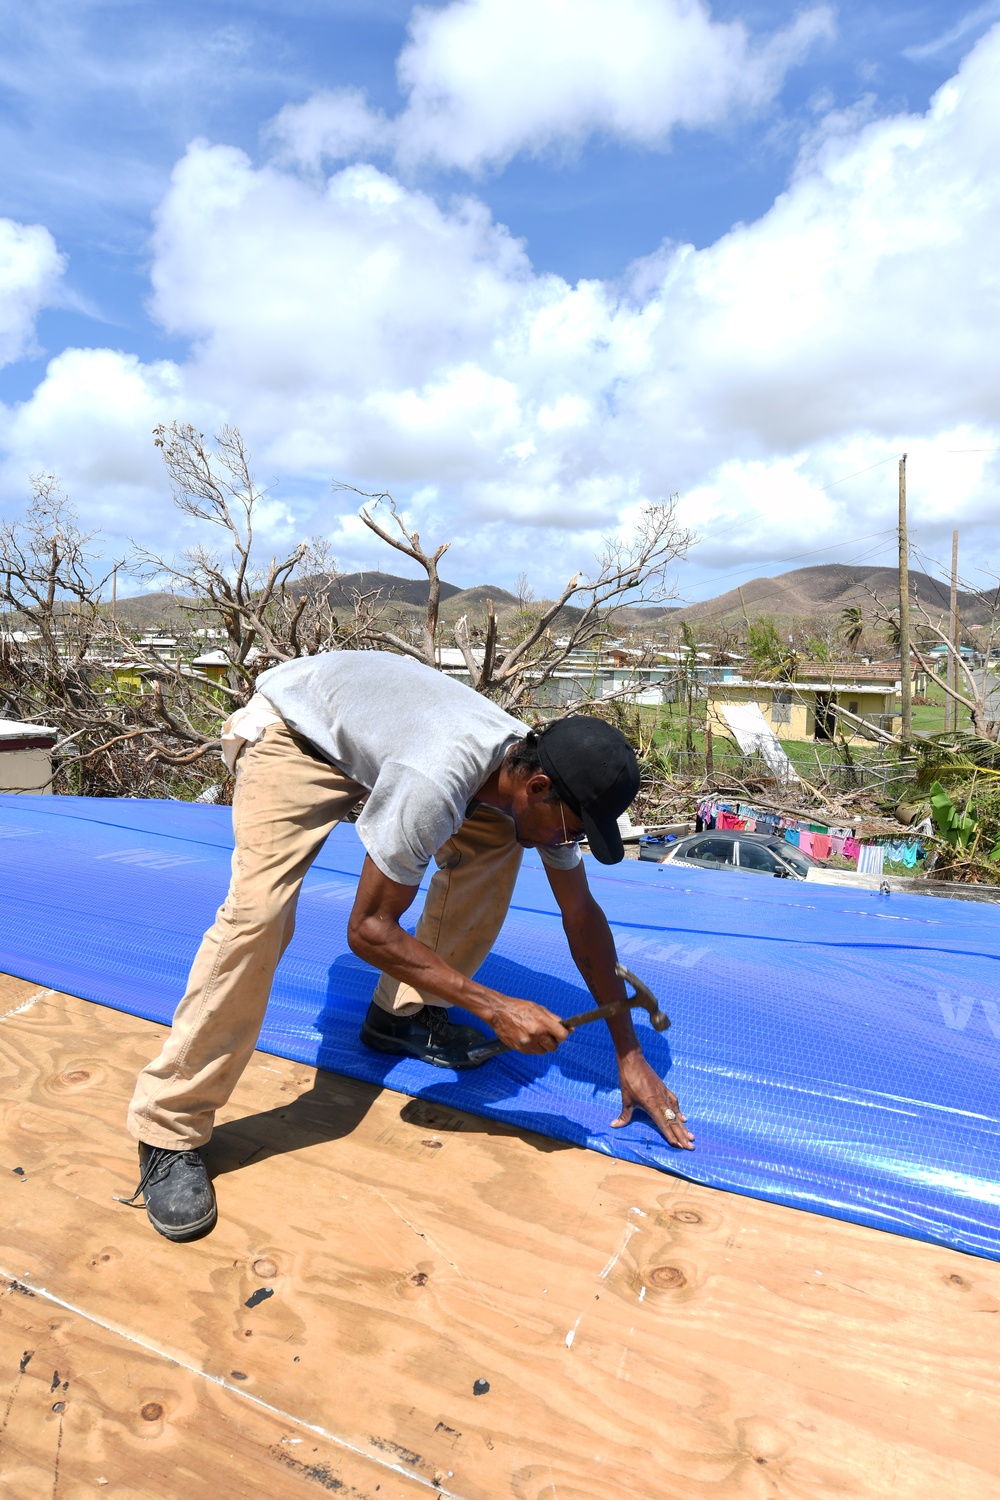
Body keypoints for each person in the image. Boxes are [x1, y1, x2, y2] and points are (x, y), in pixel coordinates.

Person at [123, 651, 693, 1240]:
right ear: (539, 785)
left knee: (500, 839)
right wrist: (494, 1006)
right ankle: (168, 1126)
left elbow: (581, 915)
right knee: (258, 915)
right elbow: (368, 927)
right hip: (296, 731)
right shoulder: (437, 777)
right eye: (571, 829)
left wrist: (628, 1053)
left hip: (388, 742)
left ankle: (401, 1016)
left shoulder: (534, 781)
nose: (567, 842)